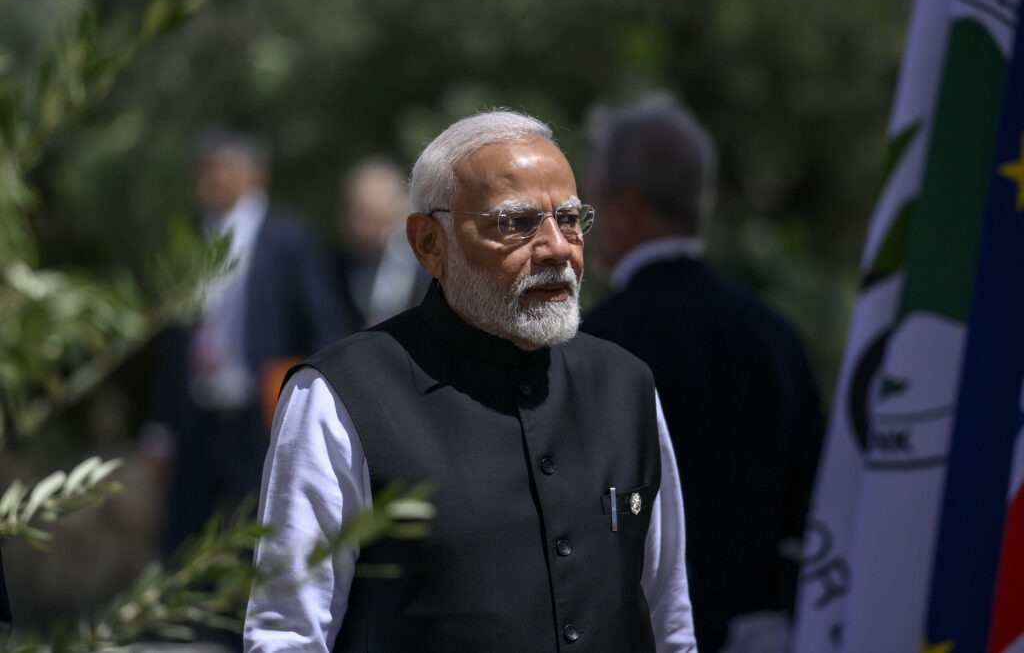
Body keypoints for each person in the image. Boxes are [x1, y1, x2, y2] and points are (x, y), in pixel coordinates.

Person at [244, 110, 697, 652]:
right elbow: (288, 634)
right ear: (430, 244)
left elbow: (667, 617)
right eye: (516, 223)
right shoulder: (340, 397)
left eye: (570, 219)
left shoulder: (625, 386)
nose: (556, 247)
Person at [581, 100, 824, 653]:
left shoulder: (596, 345)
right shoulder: (774, 334)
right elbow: (812, 499)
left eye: (594, 207)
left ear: (629, 206)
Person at [147, 126, 354, 556]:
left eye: (224, 170)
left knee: (261, 539)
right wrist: (161, 423)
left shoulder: (287, 240)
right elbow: (171, 338)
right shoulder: (189, 236)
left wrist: (313, 406)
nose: (212, 181)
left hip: (260, 416)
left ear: (256, 176)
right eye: (205, 171)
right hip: (196, 417)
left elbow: (324, 326)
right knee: (183, 543)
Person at [334, 157, 430, 328]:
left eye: (373, 216)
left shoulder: (426, 264)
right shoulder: (334, 269)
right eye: (357, 214)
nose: (361, 226)